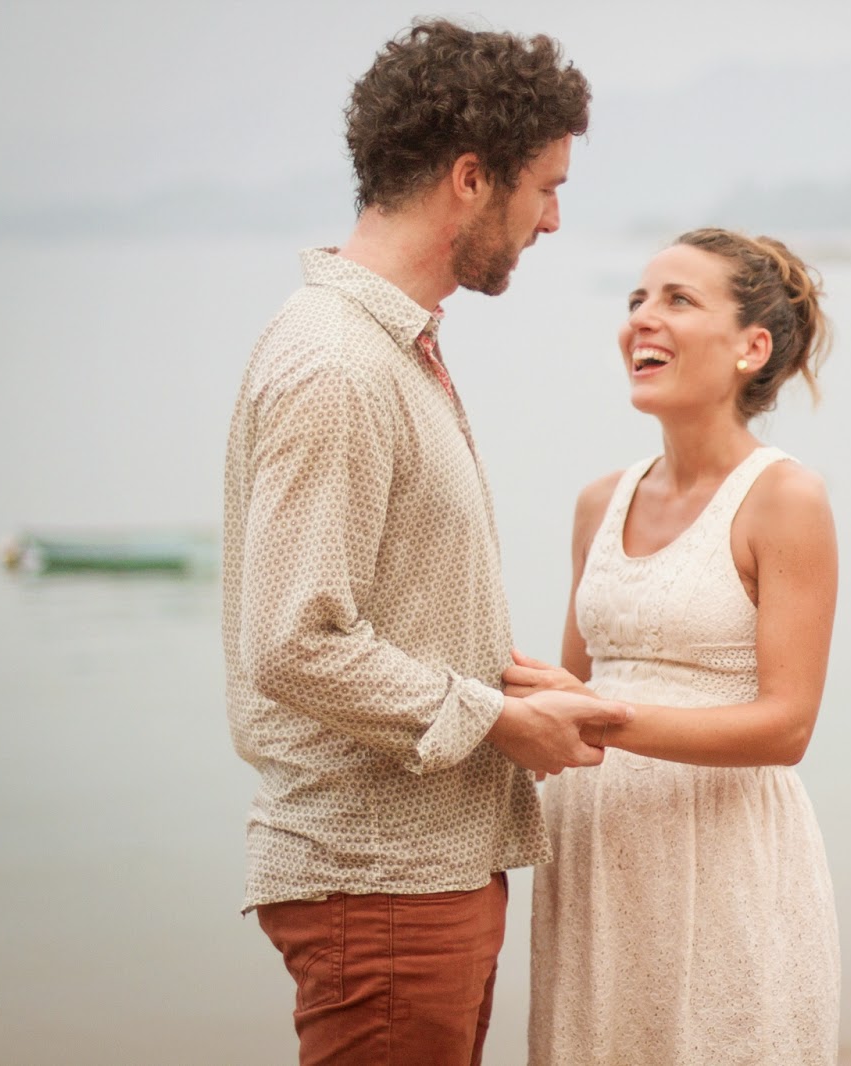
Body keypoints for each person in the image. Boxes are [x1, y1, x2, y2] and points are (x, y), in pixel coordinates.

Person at [221, 20, 631, 1066]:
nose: (549, 220)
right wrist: (498, 720)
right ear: (467, 177)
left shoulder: (391, 347)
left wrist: (511, 691)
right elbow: (293, 643)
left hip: (421, 870)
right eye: (544, 187)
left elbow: (383, 611)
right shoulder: (339, 366)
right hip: (379, 877)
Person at [505, 228, 840, 1064]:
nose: (642, 320)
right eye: (636, 301)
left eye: (678, 301)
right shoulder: (598, 503)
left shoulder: (785, 499)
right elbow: (567, 698)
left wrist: (600, 719)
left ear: (749, 348)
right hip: (594, 863)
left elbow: (786, 727)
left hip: (724, 861)